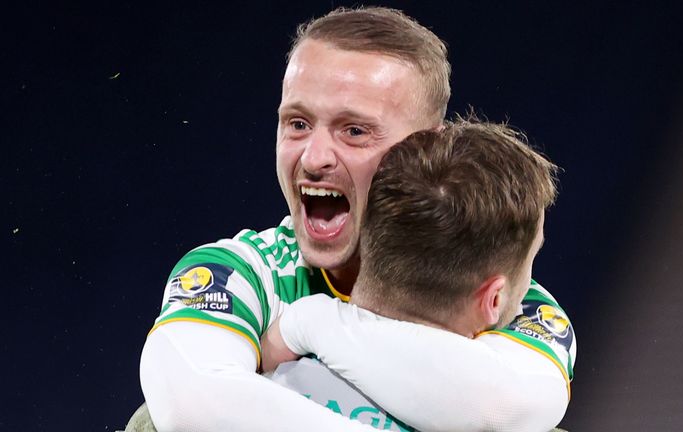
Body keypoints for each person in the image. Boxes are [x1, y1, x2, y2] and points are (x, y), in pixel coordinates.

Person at [138, 6, 575, 432]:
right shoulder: (240, 273)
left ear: (425, 148)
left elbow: (500, 408)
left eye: (354, 131)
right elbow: (193, 409)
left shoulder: (503, 290)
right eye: (297, 123)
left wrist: (309, 325)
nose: (313, 158)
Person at [260, 118, 565, 432]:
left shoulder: (251, 388)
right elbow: (506, 407)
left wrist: (312, 321)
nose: (530, 289)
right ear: (494, 299)